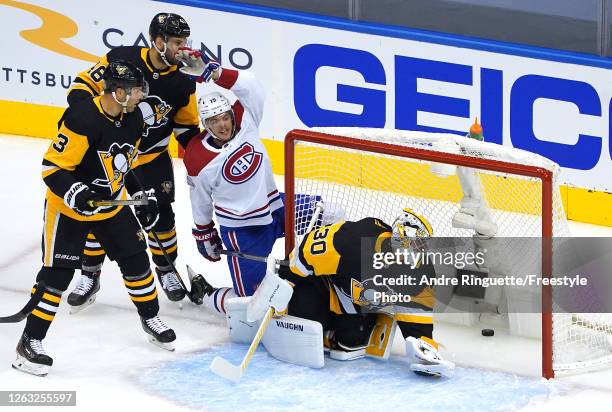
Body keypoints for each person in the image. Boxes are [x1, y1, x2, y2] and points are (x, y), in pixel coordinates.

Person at [12, 61, 176, 377]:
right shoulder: (83, 118)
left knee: (137, 262)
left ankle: (150, 318)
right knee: (58, 277)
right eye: (137, 90)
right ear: (118, 92)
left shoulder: (133, 121)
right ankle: (29, 342)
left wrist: (142, 196)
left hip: (110, 207)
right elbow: (52, 168)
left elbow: (123, 166)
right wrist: (77, 192)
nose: (142, 94)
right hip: (68, 210)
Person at [66, 13, 202, 310]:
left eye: (184, 41)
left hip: (151, 158)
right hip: (108, 157)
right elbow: (81, 87)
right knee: (97, 211)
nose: (184, 48)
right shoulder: (121, 58)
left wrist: (203, 157)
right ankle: (89, 273)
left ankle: (166, 270)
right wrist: (86, 122)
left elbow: (186, 127)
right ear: (158, 41)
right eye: (178, 42)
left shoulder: (182, 80)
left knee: (162, 216)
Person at [245, 208, 455, 378]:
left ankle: (355, 325)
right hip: (323, 287)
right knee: (308, 323)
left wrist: (424, 349)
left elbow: (415, 312)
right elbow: (303, 255)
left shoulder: (420, 272)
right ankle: (301, 313)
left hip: (355, 302)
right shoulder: (350, 242)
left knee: (350, 343)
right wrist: (284, 286)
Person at [181, 59, 285, 313]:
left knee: (328, 212)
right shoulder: (198, 157)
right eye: (214, 121)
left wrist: (215, 73)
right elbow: (200, 199)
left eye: (225, 117)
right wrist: (204, 232)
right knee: (251, 304)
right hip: (242, 230)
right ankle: (206, 294)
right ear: (205, 125)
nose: (223, 125)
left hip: (276, 207)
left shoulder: (246, 119)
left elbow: (252, 86)